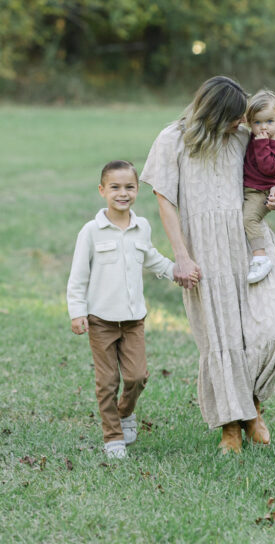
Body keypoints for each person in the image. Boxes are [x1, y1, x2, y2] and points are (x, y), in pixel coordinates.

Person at [140, 75, 275, 455]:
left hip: (249, 244)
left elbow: (263, 177)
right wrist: (182, 255)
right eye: (234, 118)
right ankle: (231, 429)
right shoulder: (172, 139)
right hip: (205, 250)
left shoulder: (242, 137)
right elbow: (164, 201)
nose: (241, 124)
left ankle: (252, 406)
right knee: (221, 338)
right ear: (213, 113)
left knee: (267, 329)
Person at [67, 160, 180, 459]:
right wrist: (77, 311)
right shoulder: (92, 231)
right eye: (115, 187)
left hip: (133, 320)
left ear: (137, 190)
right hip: (101, 320)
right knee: (107, 382)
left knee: (137, 377)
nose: (123, 193)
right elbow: (78, 276)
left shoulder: (141, 226)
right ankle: (113, 436)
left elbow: (152, 257)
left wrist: (175, 270)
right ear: (102, 190)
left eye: (129, 187)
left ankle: (125, 411)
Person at [242, 89, 275, 285]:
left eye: (269, 122)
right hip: (249, 188)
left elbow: (268, 168)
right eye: (257, 122)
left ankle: (261, 258)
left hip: (261, 192)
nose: (263, 128)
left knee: (249, 219)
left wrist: (262, 145)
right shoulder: (254, 137)